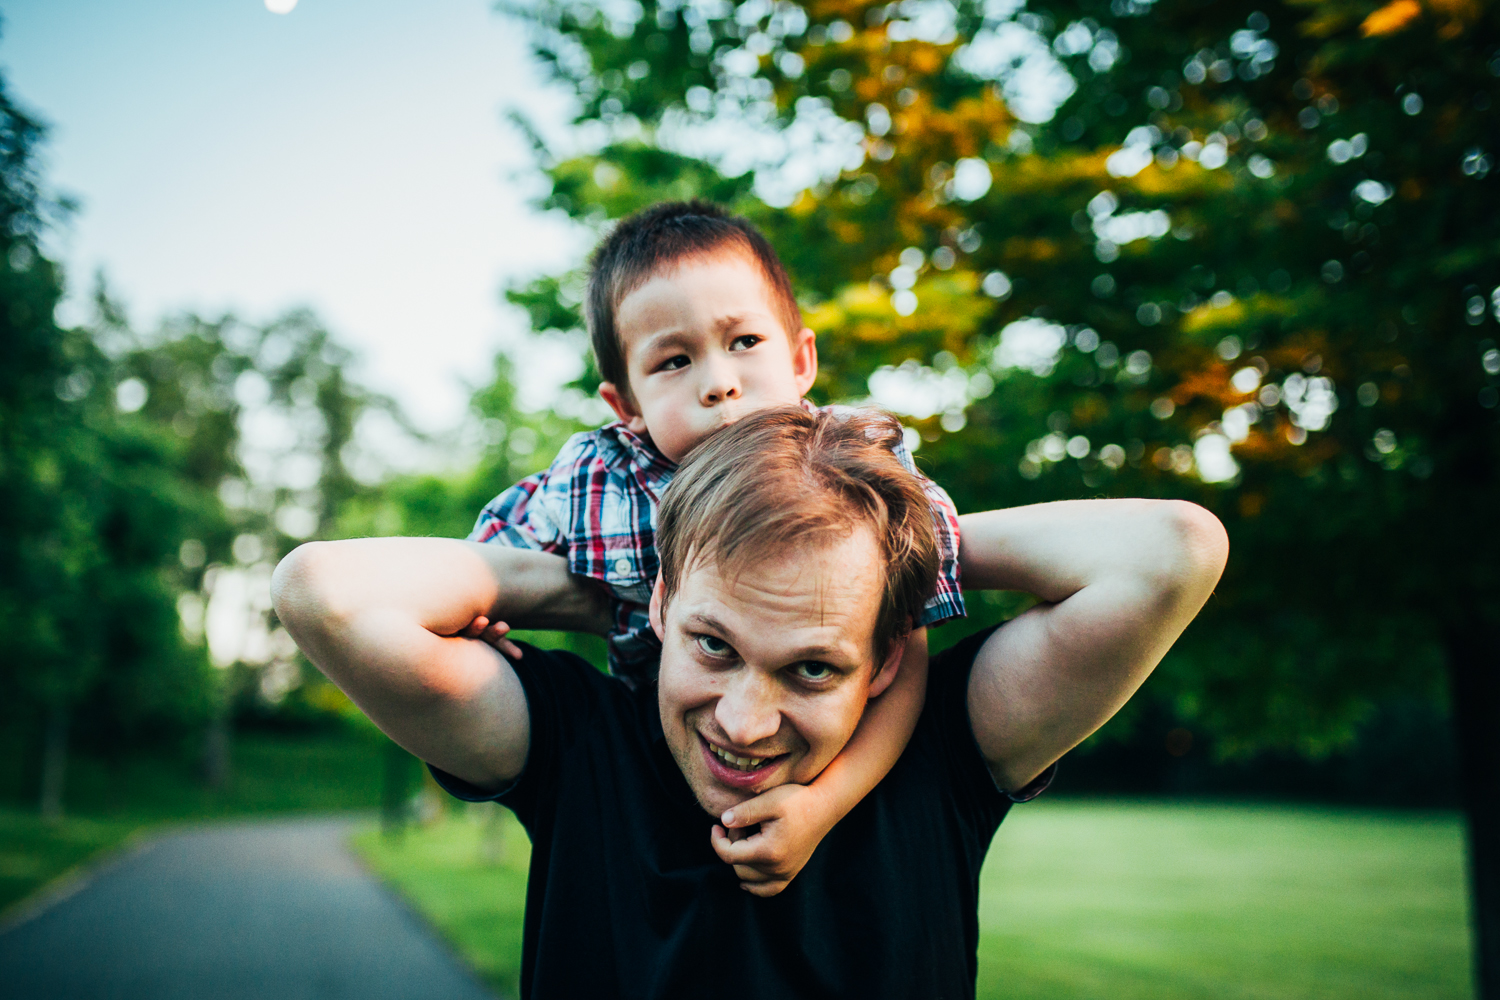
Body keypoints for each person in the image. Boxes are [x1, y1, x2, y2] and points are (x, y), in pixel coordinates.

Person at [271, 406, 1228, 999]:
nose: (742, 722)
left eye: (813, 669)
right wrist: (573, 586)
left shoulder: (946, 749)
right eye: (712, 646)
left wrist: (874, 535)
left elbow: (1174, 550)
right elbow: (324, 593)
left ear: (887, 658)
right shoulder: (575, 742)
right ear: (660, 605)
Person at [462, 200, 968, 894]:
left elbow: (905, 644)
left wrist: (824, 806)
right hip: (658, 745)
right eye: (674, 360)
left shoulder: (864, 477)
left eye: (745, 343)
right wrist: (483, 613)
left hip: (817, 757)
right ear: (626, 406)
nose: (719, 382)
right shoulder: (600, 479)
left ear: (801, 360)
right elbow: (481, 563)